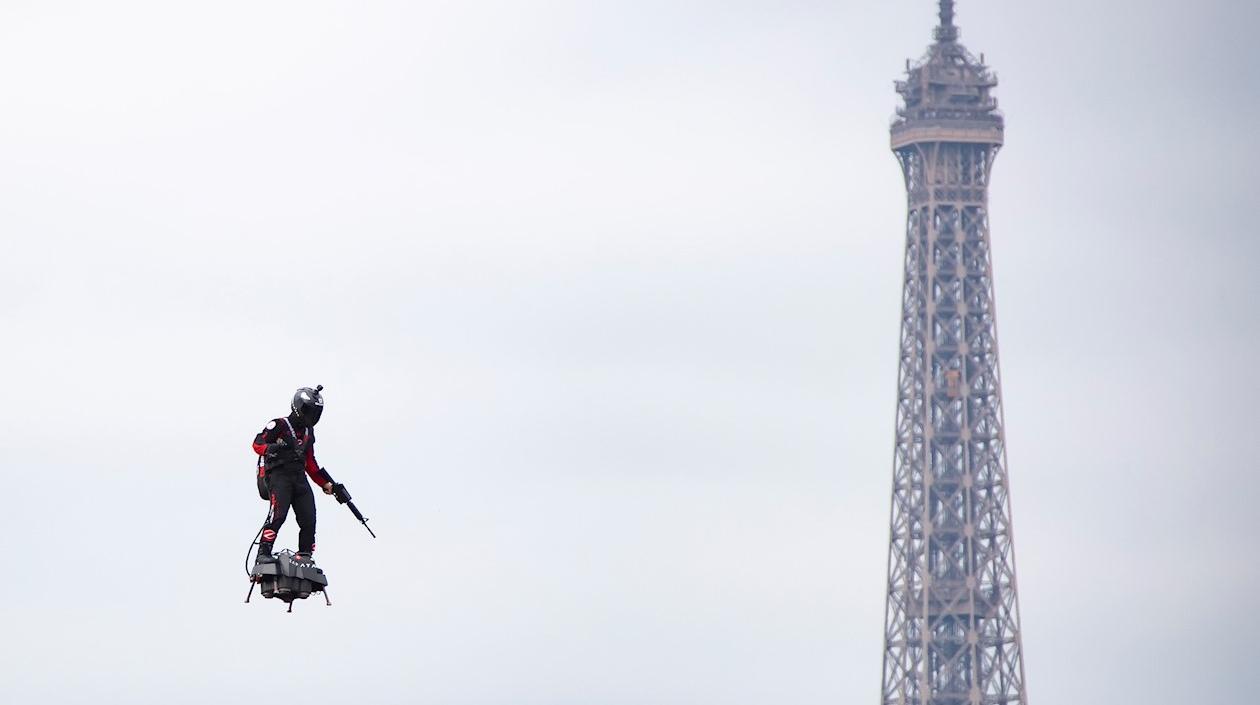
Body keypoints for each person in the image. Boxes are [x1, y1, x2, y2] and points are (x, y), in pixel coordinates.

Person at [252, 385, 338, 564]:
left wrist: (326, 484)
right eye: (309, 411)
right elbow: (257, 444)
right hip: (279, 476)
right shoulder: (279, 424)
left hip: (299, 477)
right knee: (279, 515)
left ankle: (305, 554)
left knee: (309, 517)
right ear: (298, 407)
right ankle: (263, 553)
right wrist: (271, 448)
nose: (312, 416)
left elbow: (311, 463)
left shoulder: (308, 432)